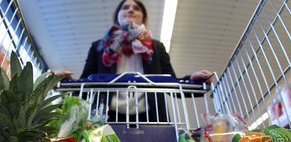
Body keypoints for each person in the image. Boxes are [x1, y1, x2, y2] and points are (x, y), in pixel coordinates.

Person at [71, 0, 213, 123]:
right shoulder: (99, 47)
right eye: (125, 7)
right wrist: (64, 83)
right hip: (106, 115)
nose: (131, 10)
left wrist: (193, 80)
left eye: (136, 8)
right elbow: (85, 84)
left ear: (143, 18)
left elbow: (172, 83)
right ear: (117, 17)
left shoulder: (156, 47)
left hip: (152, 116)